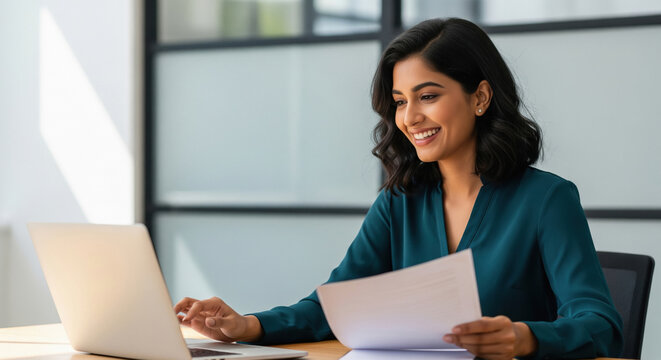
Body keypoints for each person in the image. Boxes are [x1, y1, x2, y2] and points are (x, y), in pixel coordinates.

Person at [174, 18, 623, 360]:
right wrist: (246, 325)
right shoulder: (399, 202)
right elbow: (332, 306)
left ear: (480, 97)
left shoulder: (546, 200)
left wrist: (525, 337)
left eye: (428, 96)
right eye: (400, 101)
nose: (409, 118)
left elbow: (600, 324)